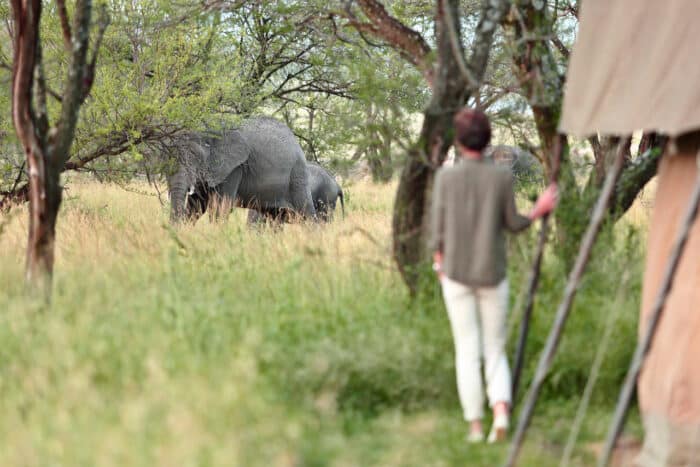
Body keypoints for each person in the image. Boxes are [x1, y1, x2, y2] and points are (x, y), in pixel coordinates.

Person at [429, 108, 558, 443]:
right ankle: (500, 413)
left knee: (467, 350)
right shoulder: (501, 177)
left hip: (455, 275)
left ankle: (475, 426)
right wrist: (538, 211)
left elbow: (436, 233)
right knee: (495, 348)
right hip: (492, 274)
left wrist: (439, 265)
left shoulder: (446, 178)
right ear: (487, 141)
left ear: (459, 140)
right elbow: (514, 224)